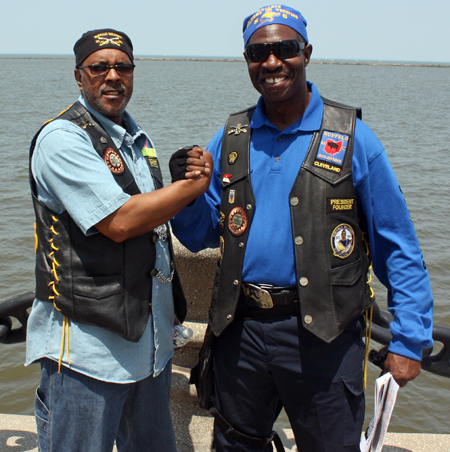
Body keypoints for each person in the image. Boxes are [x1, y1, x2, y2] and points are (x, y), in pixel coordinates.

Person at [170, 5, 434, 452]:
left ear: (306, 53)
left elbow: (397, 245)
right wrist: (186, 192)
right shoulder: (232, 137)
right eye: (259, 53)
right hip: (241, 331)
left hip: (325, 335)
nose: (272, 63)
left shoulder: (351, 137)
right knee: (235, 444)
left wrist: (410, 339)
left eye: (284, 49)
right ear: (247, 60)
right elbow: (198, 236)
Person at [25, 28, 212, 452]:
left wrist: (181, 173)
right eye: (99, 67)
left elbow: (156, 224)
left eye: (122, 66)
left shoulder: (135, 138)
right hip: (87, 351)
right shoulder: (62, 139)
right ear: (79, 76)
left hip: (150, 346)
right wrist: (193, 187)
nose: (112, 76)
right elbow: (121, 221)